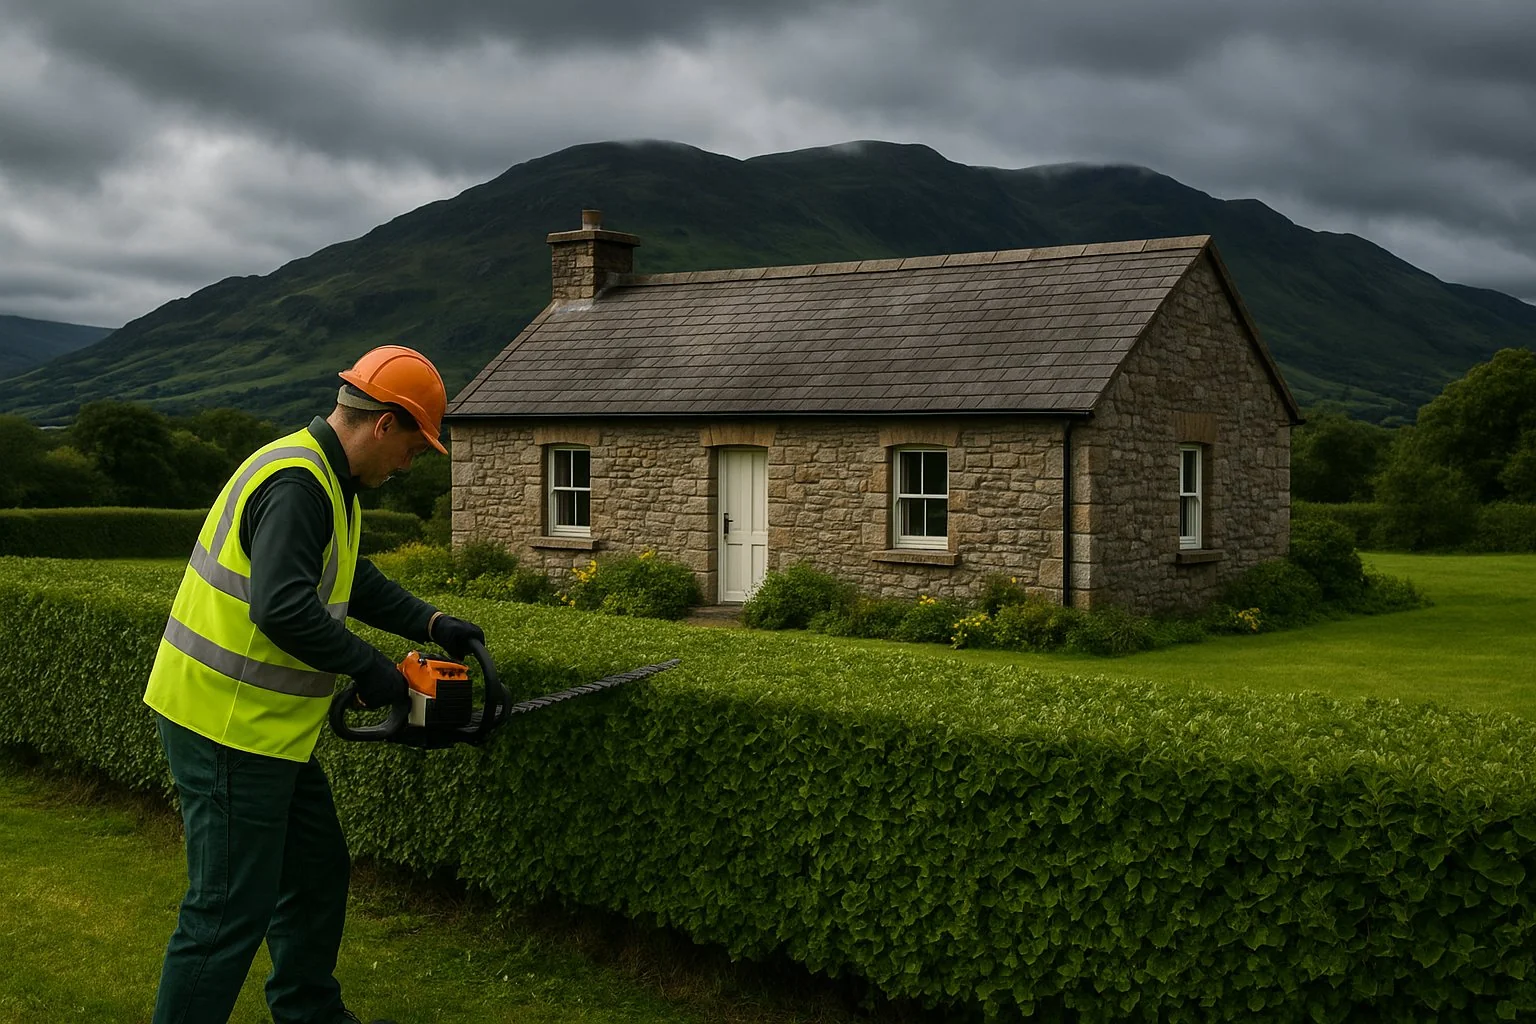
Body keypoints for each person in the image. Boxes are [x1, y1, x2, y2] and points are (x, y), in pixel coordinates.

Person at [142, 345, 485, 1024]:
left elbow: (347, 576)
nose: (409, 465)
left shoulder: (327, 480)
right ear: (382, 424)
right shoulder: (300, 484)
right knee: (225, 913)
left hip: (265, 733)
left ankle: (308, 1012)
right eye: (412, 448)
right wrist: (373, 670)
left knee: (316, 869)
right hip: (227, 726)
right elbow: (281, 607)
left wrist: (432, 622)